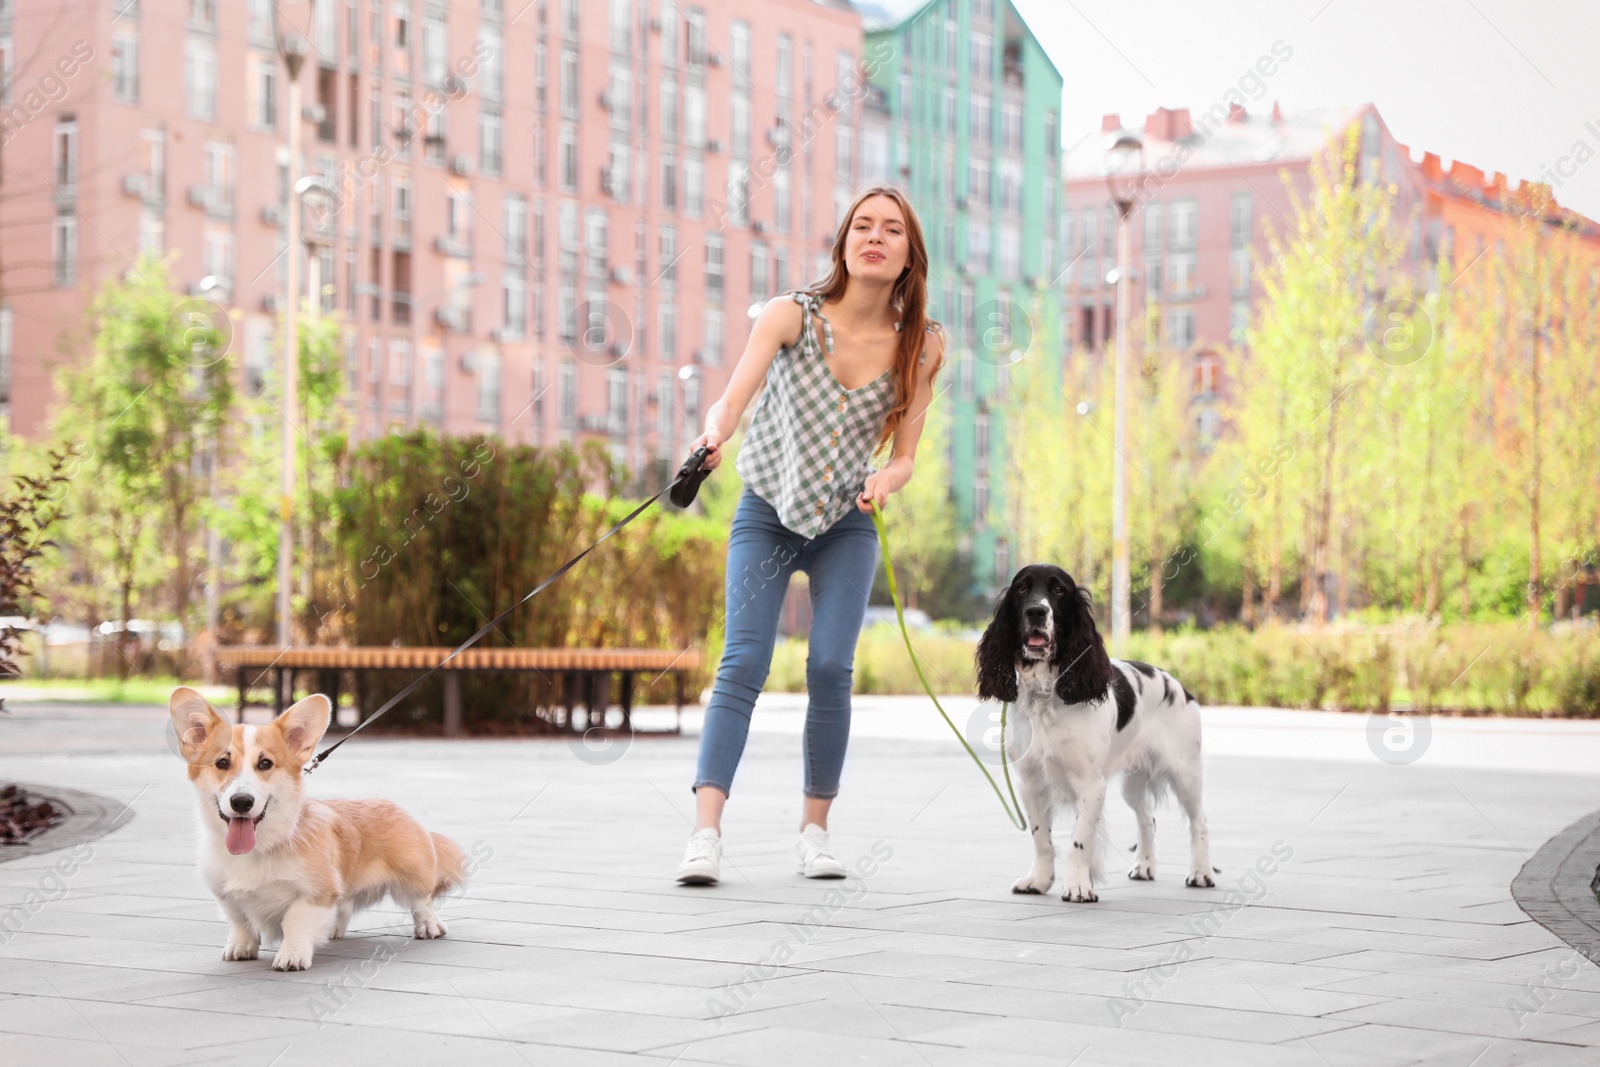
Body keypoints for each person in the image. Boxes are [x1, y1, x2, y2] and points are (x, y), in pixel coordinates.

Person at [675, 186, 946, 885]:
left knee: (830, 666)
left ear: (909, 255)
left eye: (892, 230)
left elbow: (907, 452)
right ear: (844, 242)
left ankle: (815, 831)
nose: (875, 237)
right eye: (863, 225)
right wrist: (713, 434)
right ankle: (705, 834)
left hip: (845, 523)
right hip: (766, 510)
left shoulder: (922, 345)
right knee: (743, 661)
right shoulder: (790, 315)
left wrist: (890, 478)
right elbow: (732, 398)